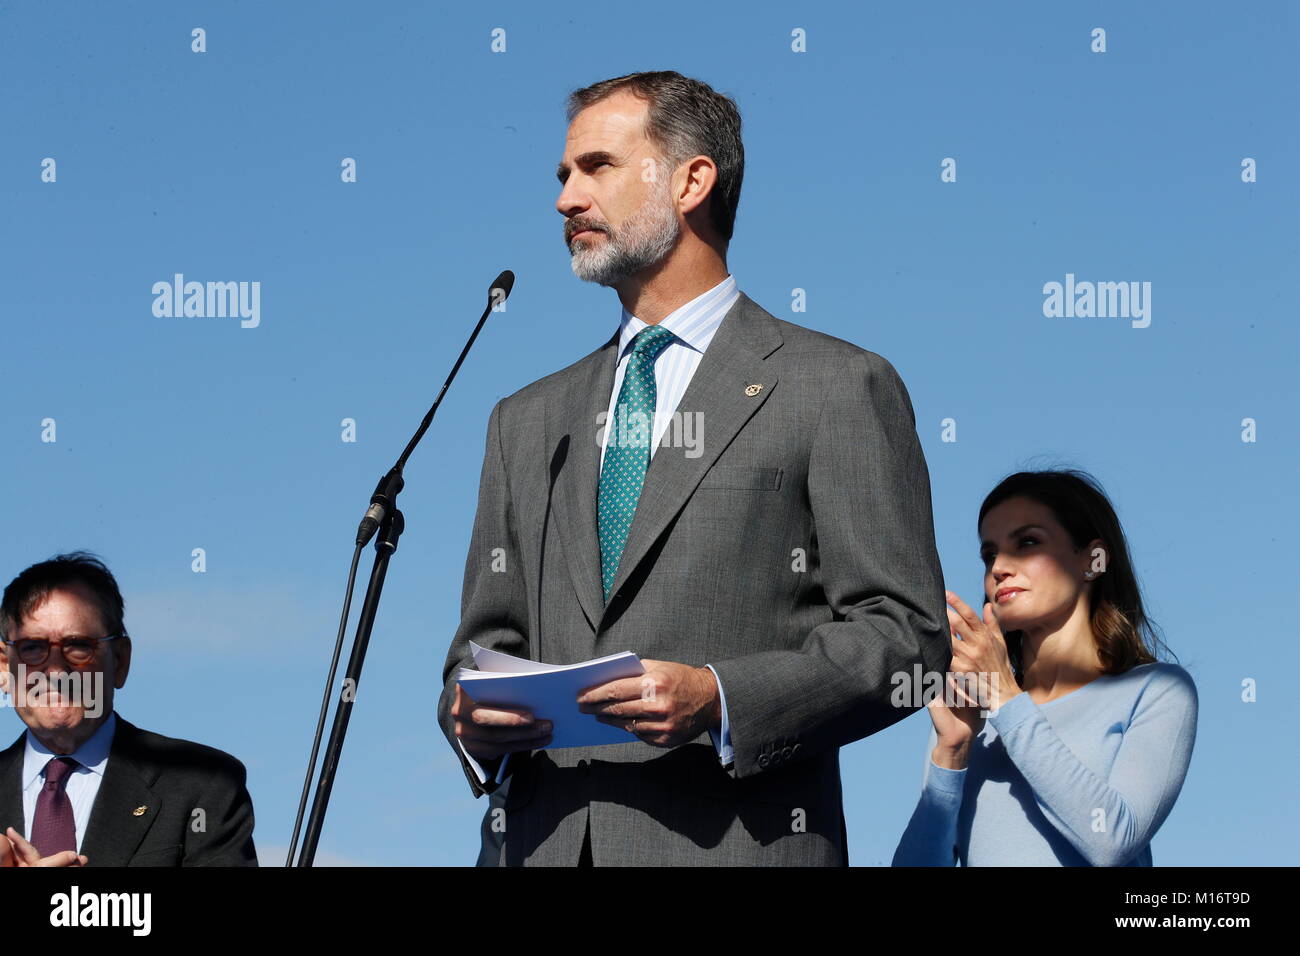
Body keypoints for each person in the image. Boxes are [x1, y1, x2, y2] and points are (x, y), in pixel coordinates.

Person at [436, 70, 949, 866]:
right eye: (564, 175)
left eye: (597, 167)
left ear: (691, 180)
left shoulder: (835, 386)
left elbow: (905, 638)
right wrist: (471, 719)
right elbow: (480, 646)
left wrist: (722, 697)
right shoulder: (525, 421)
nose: (567, 198)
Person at [892, 470, 1198, 866]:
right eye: (989, 554)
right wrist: (951, 753)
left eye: (1028, 542)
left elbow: (1112, 842)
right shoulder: (970, 719)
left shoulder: (1158, 690)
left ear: (1092, 560)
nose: (1000, 565)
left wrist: (1006, 699)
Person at [0, 552, 257, 867]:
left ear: (119, 661)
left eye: (78, 645)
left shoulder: (203, 785)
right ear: (3, 666)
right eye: (33, 648)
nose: (55, 671)